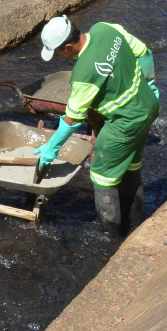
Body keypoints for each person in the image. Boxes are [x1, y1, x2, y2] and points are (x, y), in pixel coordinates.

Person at [37, 15, 159, 235]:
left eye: (57, 53)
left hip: (125, 122)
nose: (57, 57)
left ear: (68, 47)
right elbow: (144, 52)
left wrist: (51, 149)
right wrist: (149, 84)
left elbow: (73, 119)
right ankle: (137, 221)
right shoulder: (106, 28)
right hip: (148, 105)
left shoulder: (83, 74)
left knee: (102, 174)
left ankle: (113, 235)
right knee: (131, 166)